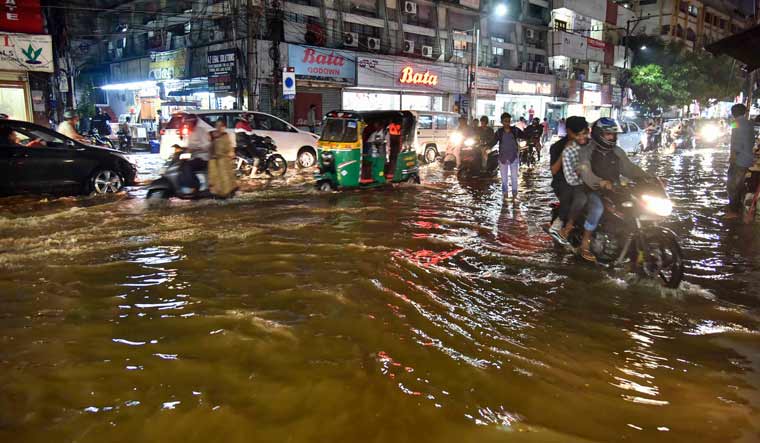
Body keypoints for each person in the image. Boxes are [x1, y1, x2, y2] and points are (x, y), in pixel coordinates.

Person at [573, 118, 651, 262]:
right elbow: (586, 173)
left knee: (634, 207)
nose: (612, 137)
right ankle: (585, 243)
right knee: (597, 208)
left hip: (613, 189)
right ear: (598, 134)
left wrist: (650, 178)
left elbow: (630, 169)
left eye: (614, 134)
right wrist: (601, 182)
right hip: (590, 189)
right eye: (608, 134)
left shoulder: (617, 151)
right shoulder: (586, 151)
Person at [548, 116, 590, 243]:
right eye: (576, 133)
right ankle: (561, 225)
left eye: (583, 132)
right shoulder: (557, 146)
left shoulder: (589, 144)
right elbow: (554, 170)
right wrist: (564, 151)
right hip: (563, 182)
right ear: (568, 131)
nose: (580, 136)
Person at [724, 104, 756, 219]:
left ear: (733, 113)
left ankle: (734, 210)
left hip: (739, 159)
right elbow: (751, 141)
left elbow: (735, 141)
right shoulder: (749, 123)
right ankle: (736, 207)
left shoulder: (735, 123)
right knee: (739, 184)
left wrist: (733, 156)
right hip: (747, 158)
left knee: (732, 185)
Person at [492, 112, 524, 200]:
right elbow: (493, 142)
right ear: (502, 122)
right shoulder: (499, 132)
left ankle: (514, 196)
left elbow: (525, 135)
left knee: (514, 178)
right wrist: (486, 147)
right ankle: (505, 196)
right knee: (504, 180)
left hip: (514, 157)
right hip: (502, 158)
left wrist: (534, 139)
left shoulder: (515, 130)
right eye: (505, 121)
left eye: (509, 121)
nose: (507, 123)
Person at [208, 119, 237, 198]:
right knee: (216, 180)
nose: (219, 127)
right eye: (217, 125)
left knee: (226, 179)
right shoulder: (211, 135)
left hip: (224, 161)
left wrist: (231, 153)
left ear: (224, 127)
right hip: (214, 161)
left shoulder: (226, 136)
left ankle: (227, 194)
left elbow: (230, 148)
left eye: (221, 126)